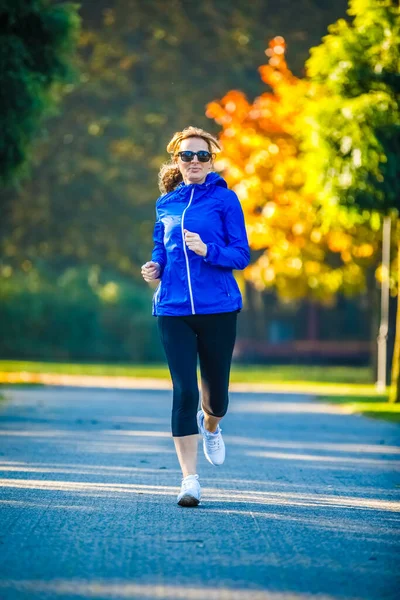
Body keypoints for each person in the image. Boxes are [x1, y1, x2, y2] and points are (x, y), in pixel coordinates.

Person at [141, 126, 250, 507]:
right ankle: (189, 480)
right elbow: (161, 249)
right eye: (187, 156)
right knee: (184, 392)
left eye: (202, 156)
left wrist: (208, 249)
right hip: (172, 309)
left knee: (215, 398)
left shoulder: (225, 200)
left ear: (211, 160)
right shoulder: (165, 204)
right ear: (177, 161)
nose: (194, 162)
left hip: (218, 308)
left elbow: (240, 254)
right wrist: (154, 267)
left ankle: (213, 425)